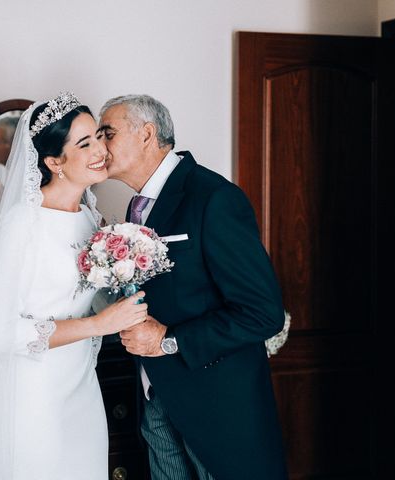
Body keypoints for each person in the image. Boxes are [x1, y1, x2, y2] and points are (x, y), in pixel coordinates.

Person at [0, 92, 148, 480]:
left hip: (79, 385)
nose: (100, 150)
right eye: (84, 143)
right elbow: (3, 331)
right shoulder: (22, 225)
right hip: (32, 393)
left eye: (98, 136)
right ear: (54, 162)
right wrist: (100, 325)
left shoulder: (90, 220)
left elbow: (87, 298)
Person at [99, 94, 288, 480]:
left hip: (217, 407)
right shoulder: (137, 207)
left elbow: (263, 313)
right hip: (157, 398)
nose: (99, 146)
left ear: (147, 134)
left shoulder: (214, 198)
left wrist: (169, 340)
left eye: (108, 133)